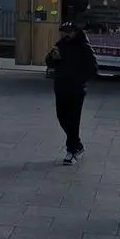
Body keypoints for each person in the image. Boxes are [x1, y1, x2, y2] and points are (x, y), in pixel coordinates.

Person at [46, 22, 98, 164]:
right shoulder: (60, 45)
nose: (65, 34)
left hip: (76, 89)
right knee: (62, 117)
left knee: (73, 120)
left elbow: (93, 68)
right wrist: (52, 58)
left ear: (75, 32)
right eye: (63, 31)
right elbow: (49, 62)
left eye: (68, 31)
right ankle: (77, 144)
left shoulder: (84, 47)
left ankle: (71, 151)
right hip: (61, 87)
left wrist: (79, 79)